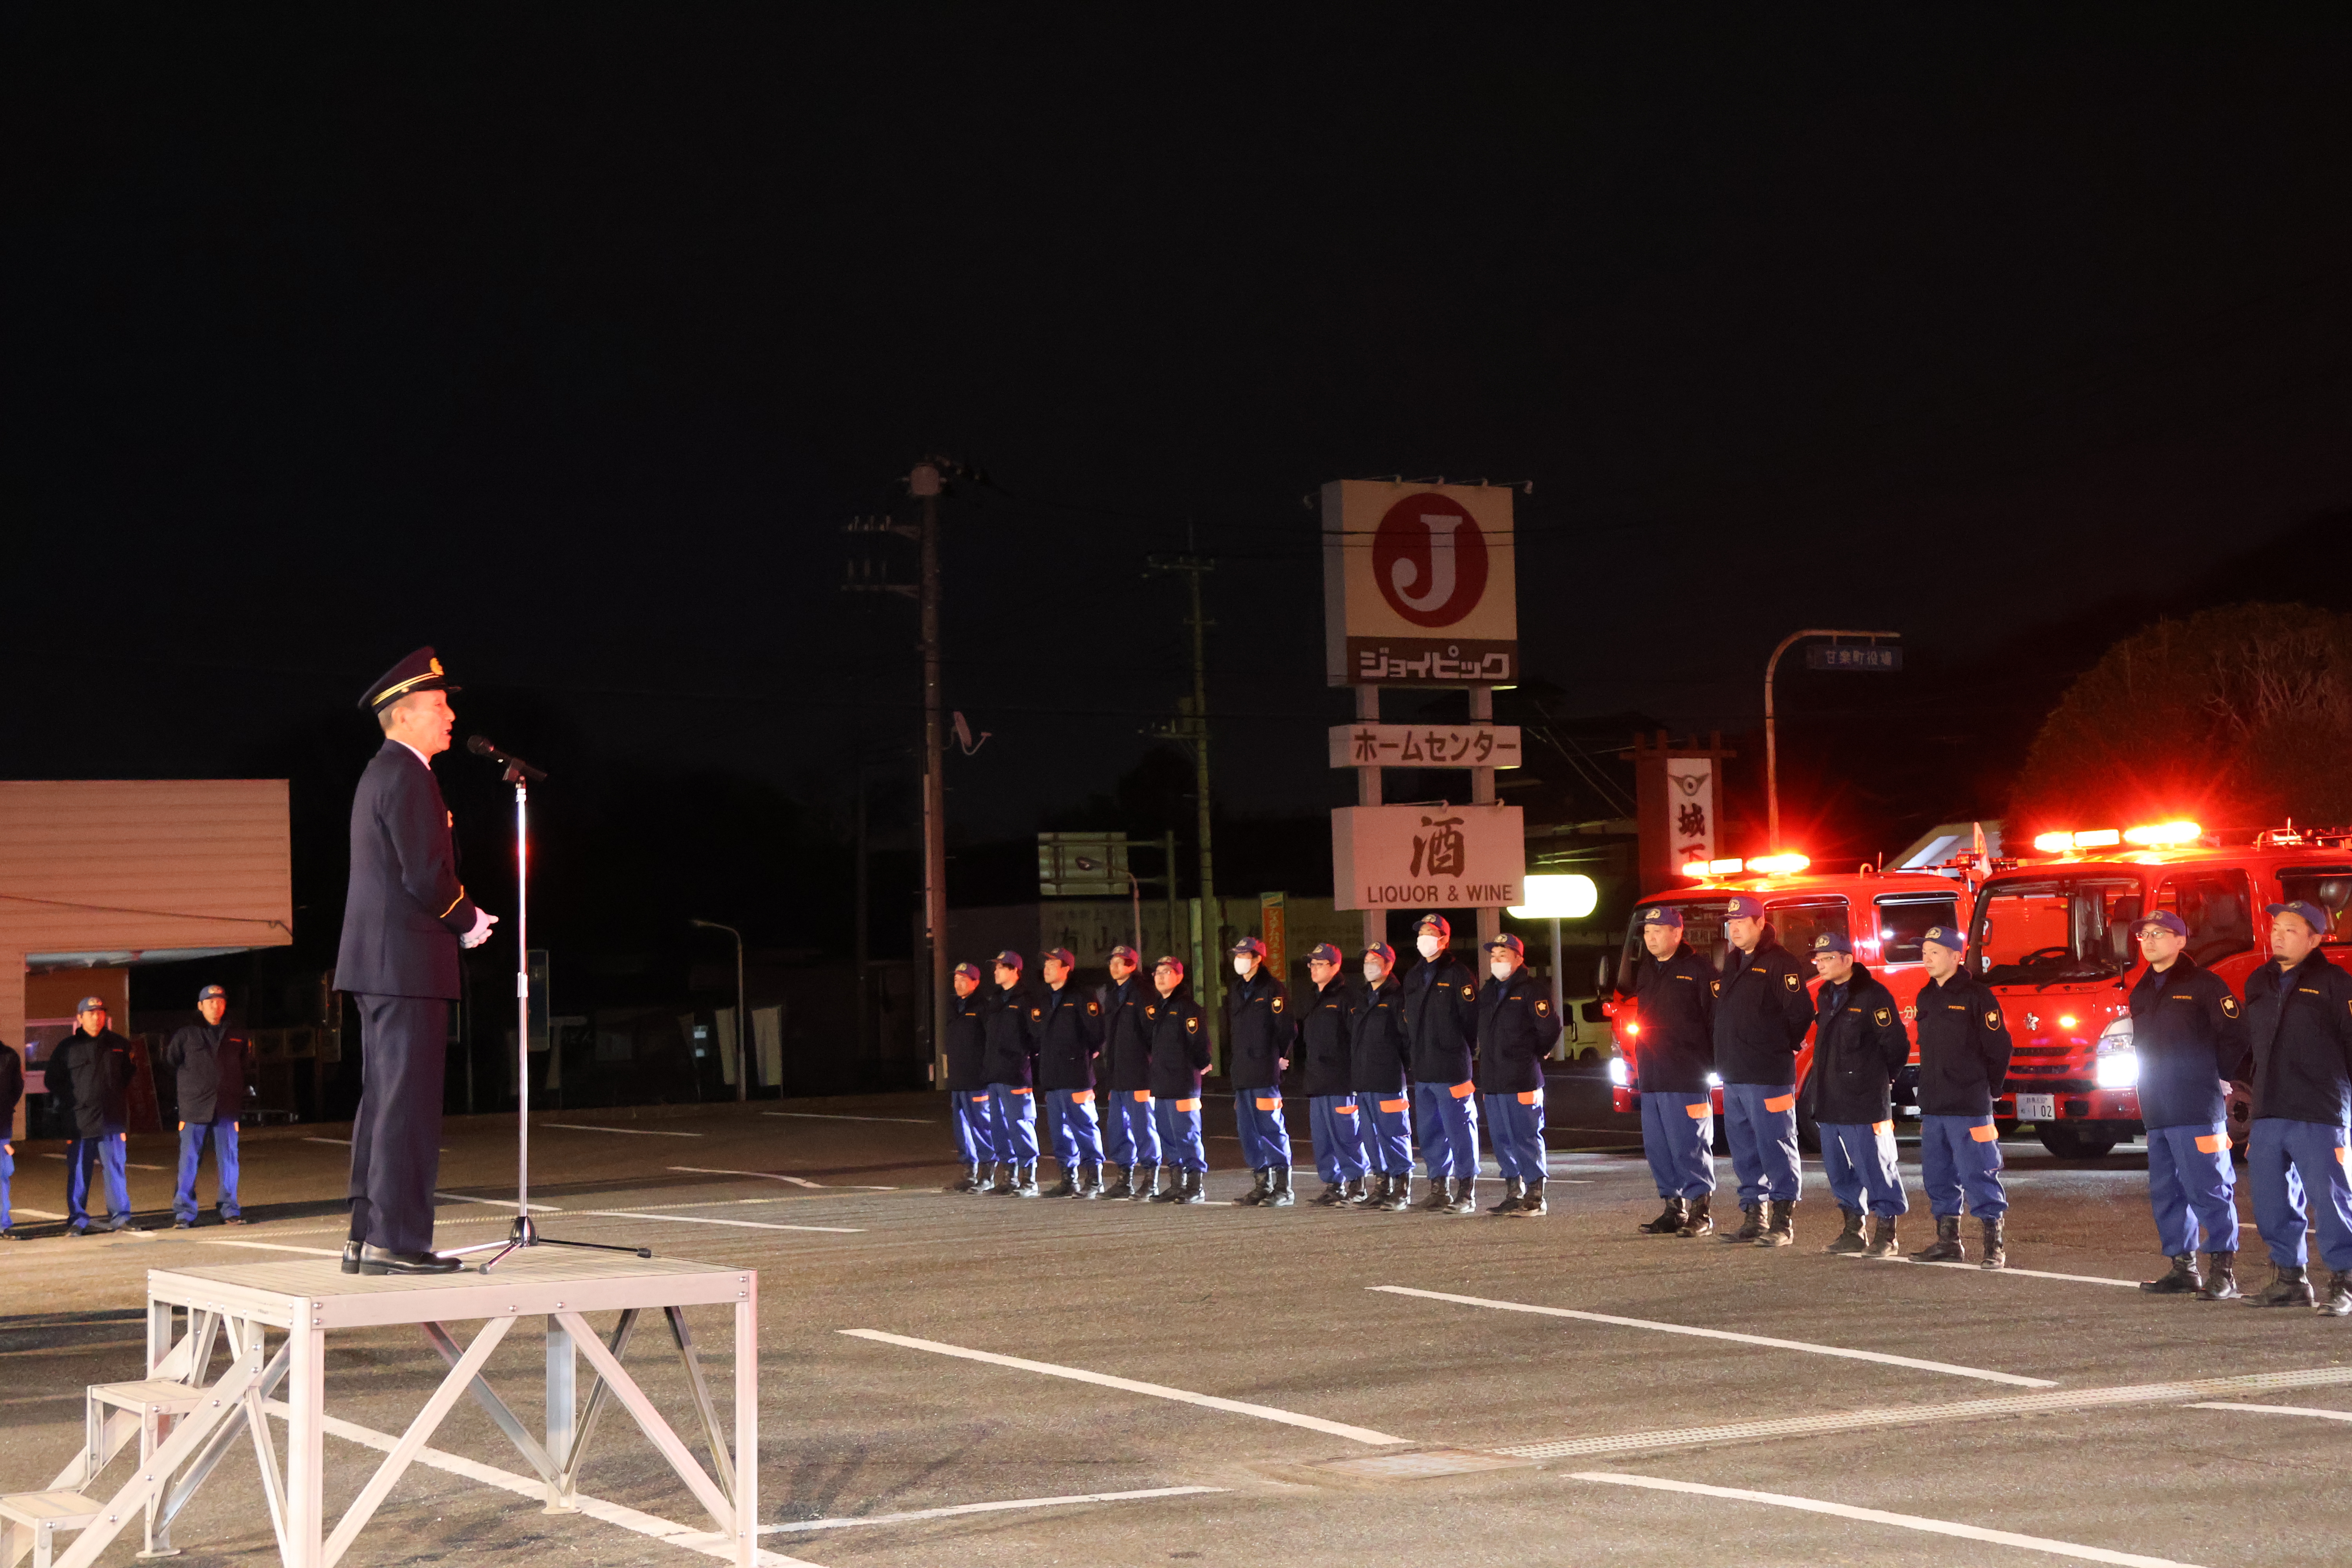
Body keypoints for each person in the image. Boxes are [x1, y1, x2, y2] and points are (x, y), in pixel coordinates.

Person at [334, 648, 497, 1275]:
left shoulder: (384, 772)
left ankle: (367, 1234)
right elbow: (426, 874)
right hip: (405, 964)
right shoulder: (409, 775)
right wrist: (470, 919)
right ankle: (395, 1242)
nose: (450, 714)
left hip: (382, 964)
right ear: (403, 716)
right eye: (438, 705)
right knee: (407, 1104)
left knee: (384, 1100)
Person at [2125, 909, 2250, 1299]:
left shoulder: (2205, 984)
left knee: (2210, 1188)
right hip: (2158, 1107)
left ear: (2181, 940)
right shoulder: (2141, 991)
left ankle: (2223, 1271)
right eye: (2144, 934)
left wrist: (2218, 1073)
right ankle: (2183, 1267)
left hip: (2197, 1107)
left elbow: (2236, 1033)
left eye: (2159, 933)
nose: (2149, 940)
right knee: (2167, 1191)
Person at [2239, 899, 2352, 1315]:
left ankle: (2345, 1281)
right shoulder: (2259, 982)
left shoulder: (2336, 983)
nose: (2278, 934)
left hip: (2320, 1110)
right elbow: (2250, 1046)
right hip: (2270, 1108)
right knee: (2271, 1202)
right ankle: (2290, 1279)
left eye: (2289, 928)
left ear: (2315, 938)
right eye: (2275, 927)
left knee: (2332, 1199)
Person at [1712, 894, 1815, 1247]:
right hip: (1735, 1073)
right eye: (1731, 923)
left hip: (1767, 1073)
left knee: (1776, 1145)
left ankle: (1783, 1220)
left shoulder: (1781, 963)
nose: (1735, 928)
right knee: (1743, 1149)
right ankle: (1754, 1216)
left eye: (1741, 922)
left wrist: (1778, 1045)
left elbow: (1800, 1014)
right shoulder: (1734, 961)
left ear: (1760, 923)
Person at [1909, 924, 2014, 1269]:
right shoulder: (1926, 996)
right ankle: (1948, 1241)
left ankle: (1993, 1244)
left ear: (1957, 956)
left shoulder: (1977, 996)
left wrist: (1992, 1090)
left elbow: (1999, 1047)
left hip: (1969, 1105)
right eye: (1924, 953)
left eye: (1934, 952)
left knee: (1979, 1172)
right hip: (1935, 1105)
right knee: (1938, 1177)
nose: (1927, 959)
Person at [1803, 932, 1911, 1257]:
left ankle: (1887, 1232)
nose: (1821, 965)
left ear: (1847, 960)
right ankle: (1854, 1229)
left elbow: (1897, 1045)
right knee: (1838, 1169)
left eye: (1827, 959)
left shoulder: (1873, 995)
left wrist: (1882, 1079)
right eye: (1818, 960)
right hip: (1831, 1098)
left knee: (1874, 1166)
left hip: (1864, 1100)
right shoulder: (1826, 995)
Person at [1622, 907, 1719, 1237]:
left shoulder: (1699, 969)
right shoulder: (1648, 970)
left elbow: (1715, 1021)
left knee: (1689, 1143)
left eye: (1658, 931)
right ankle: (1673, 1208)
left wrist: (1711, 1064)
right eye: (1647, 933)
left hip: (1687, 1074)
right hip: (1652, 1074)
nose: (1650, 938)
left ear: (1678, 933)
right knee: (1659, 1147)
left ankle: (1701, 1211)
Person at [1475, 934, 1563, 1216]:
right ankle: (1514, 1193)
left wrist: (1535, 1053)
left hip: (1522, 1077)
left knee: (1526, 1137)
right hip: (1494, 1079)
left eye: (1503, 955)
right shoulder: (1489, 991)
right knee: (1502, 1139)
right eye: (1494, 956)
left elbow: (1550, 1028)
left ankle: (1536, 1196)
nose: (1497, 960)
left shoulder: (1531, 990)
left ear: (1518, 959)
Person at [1405, 914, 1482, 1213]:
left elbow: (1470, 1020)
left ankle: (1467, 1190)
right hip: (1424, 1066)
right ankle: (1439, 1187)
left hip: (1452, 1066)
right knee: (1430, 1131)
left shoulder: (1459, 974)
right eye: (1421, 932)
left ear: (1444, 939)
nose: (1424, 938)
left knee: (1460, 1128)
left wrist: (1459, 1048)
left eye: (1430, 933)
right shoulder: (1413, 976)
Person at [51, 997, 139, 1235]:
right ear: (80, 1018)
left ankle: (121, 1217)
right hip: (80, 1123)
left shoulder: (119, 1044)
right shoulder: (67, 1047)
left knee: (116, 1170)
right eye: (91, 1013)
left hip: (112, 1120)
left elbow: (127, 1076)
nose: (97, 1017)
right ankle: (77, 1220)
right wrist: (74, 1104)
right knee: (79, 1172)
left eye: (100, 1013)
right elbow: (53, 1081)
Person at [166, 984, 250, 1228]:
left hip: (226, 1108)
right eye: (210, 1002)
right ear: (200, 1006)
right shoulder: (186, 1035)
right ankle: (184, 1213)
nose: (216, 1006)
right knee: (189, 1163)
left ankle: (230, 1211)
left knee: (229, 1161)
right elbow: (171, 1062)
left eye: (220, 1001)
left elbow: (244, 1064)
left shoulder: (237, 1034)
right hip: (194, 1110)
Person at [1226, 936, 1298, 1207]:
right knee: (1248, 1130)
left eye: (1245, 955)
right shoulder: (1237, 990)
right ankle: (1261, 1183)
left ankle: (1283, 1187)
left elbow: (1286, 1028)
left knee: (1271, 1127)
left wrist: (1277, 1056)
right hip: (1243, 1072)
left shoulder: (1272, 989)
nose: (1239, 959)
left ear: (1258, 959)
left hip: (1264, 1070)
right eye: (1237, 954)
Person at [1034, 947, 1108, 1198]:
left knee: (1084, 1126)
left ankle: (1095, 1178)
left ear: (1067, 969)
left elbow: (1097, 1032)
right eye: (1046, 965)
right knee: (1059, 1130)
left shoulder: (1081, 996)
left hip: (1076, 1074)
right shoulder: (1045, 999)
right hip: (1053, 1077)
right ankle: (1068, 1178)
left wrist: (1085, 1054)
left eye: (1053, 964)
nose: (1047, 969)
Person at [1297, 943, 1365, 1206]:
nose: (1313, 969)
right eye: (1311, 964)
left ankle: (1357, 1185)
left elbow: (1355, 1040)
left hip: (1341, 1081)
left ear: (1335, 967)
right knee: (1323, 1137)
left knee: (1347, 1135)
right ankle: (1333, 1185)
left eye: (1319, 964)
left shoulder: (1347, 997)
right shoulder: (1315, 997)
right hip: (1318, 1079)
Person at [1352, 944, 1416, 1210]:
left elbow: (1407, 1039)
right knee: (1371, 1135)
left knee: (1394, 1133)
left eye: (1375, 960)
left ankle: (1401, 1186)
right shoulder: (1362, 997)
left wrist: (1404, 1067)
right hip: (1364, 1080)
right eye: (1366, 960)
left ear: (1389, 965)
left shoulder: (1398, 997)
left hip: (1388, 1079)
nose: (1369, 965)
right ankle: (1382, 1185)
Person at [1143, 956, 1211, 1204]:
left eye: (1167, 972)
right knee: (1167, 1134)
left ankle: (1195, 1185)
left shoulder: (1187, 1008)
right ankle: (1176, 1184)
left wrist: (1203, 1064)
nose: (1161, 976)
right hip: (1162, 1084)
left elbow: (1199, 1042)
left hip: (1183, 1083)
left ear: (1180, 977)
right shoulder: (1159, 1007)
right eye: (1158, 973)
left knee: (1187, 1134)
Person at [1099, 946, 1162, 1200]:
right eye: (1112, 962)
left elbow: (1152, 1033)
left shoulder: (1143, 992)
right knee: (1117, 1128)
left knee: (1143, 1127)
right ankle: (1124, 1178)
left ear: (1132, 965)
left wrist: (1150, 1065)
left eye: (1120, 962)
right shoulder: (1114, 994)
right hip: (1118, 1074)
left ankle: (1151, 1179)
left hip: (1139, 1073)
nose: (1114, 967)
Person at [980, 951, 1041, 1197]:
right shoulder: (995, 1000)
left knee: (1021, 1125)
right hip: (994, 1074)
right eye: (995, 968)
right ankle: (1009, 1177)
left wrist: (1021, 1059)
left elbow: (1036, 1038)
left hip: (1016, 1074)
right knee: (999, 1128)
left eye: (1000, 968)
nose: (995, 972)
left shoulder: (1026, 1000)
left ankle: (1030, 1179)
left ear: (1015, 971)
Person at [942, 962, 995, 1193]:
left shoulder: (983, 1006)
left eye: (964, 979)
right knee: (961, 1128)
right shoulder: (954, 1006)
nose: (959, 984)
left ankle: (988, 1174)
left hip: (977, 1079)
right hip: (958, 1079)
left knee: (982, 1126)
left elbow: (990, 1042)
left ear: (976, 982)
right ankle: (969, 1172)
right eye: (956, 980)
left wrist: (986, 1074)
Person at [0, 1034, 23, 1240]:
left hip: (1, 1126)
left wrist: (6, 1107)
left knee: (1, 1176)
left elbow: (17, 1088)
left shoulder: (9, 1057)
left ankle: (2, 1224)